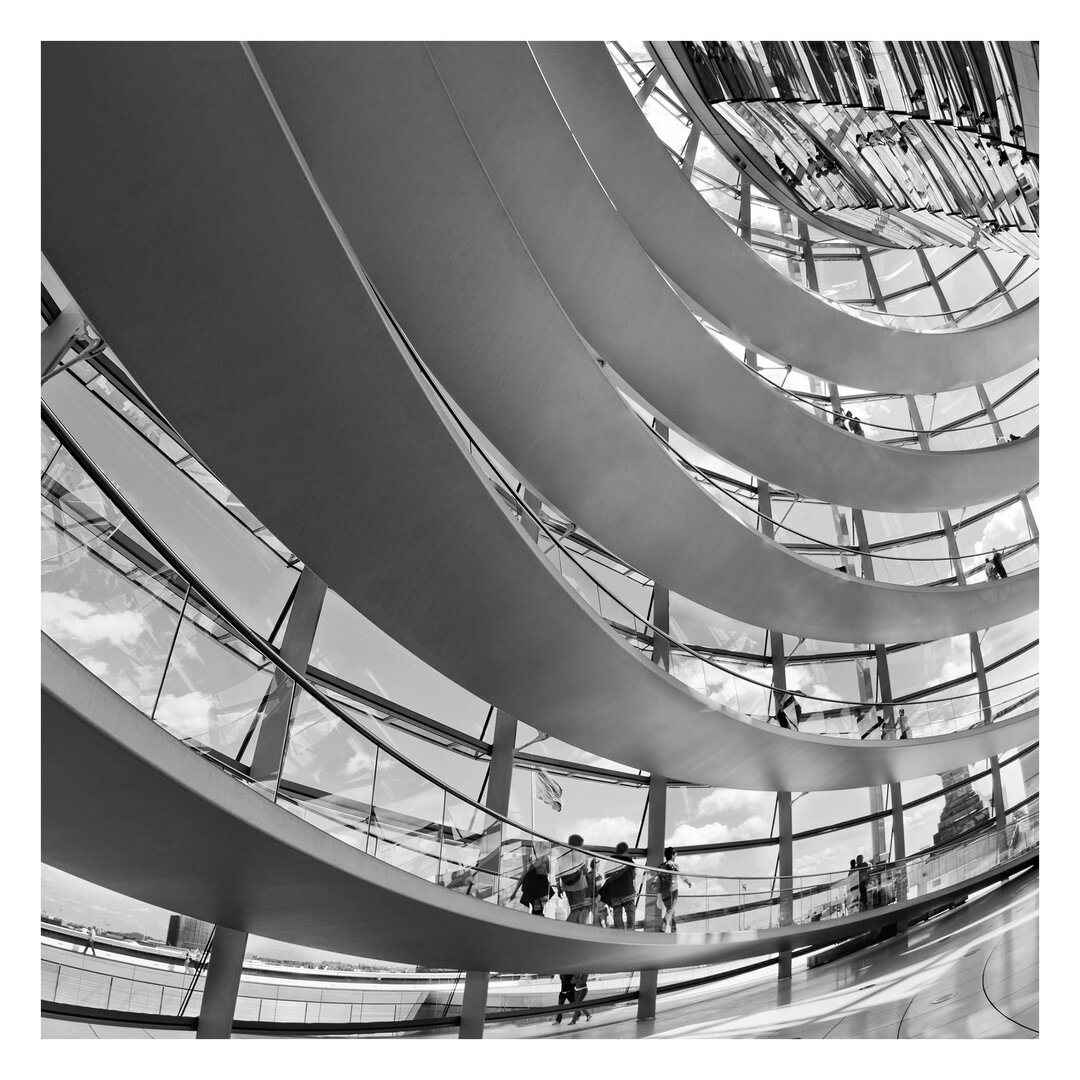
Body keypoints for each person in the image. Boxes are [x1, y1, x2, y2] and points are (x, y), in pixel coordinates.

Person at [555, 834, 595, 925]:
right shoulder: (581, 853)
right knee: (577, 910)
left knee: (574, 909)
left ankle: (573, 931)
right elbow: (585, 870)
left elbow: (557, 872)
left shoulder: (563, 854)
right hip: (579, 885)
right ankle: (564, 928)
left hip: (567, 885)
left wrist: (558, 886)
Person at [601, 841, 637, 930]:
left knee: (617, 912)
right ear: (626, 850)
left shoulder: (611, 860)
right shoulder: (629, 860)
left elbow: (606, 875)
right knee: (630, 911)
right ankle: (630, 930)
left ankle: (619, 931)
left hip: (614, 891)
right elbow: (634, 875)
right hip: (627, 890)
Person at [509, 844, 553, 916]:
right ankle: (537, 924)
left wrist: (514, 892)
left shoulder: (530, 860)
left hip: (533, 889)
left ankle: (535, 923)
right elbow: (549, 871)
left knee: (537, 909)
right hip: (541, 887)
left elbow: (522, 877)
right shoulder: (544, 858)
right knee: (538, 910)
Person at [657, 846, 693, 932]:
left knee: (671, 911)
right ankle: (663, 928)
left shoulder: (661, 866)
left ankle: (673, 930)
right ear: (672, 855)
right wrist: (688, 882)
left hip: (663, 891)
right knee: (670, 910)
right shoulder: (674, 865)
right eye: (675, 854)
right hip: (673, 890)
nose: (676, 856)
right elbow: (681, 875)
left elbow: (657, 878)